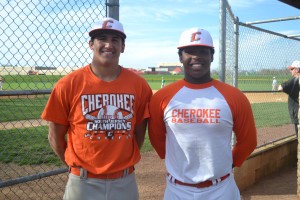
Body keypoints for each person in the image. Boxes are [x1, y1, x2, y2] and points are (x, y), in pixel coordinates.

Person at [41, 17, 152, 200]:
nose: (108, 44)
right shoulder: (68, 84)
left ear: (123, 47)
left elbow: (139, 133)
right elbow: (55, 136)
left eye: (115, 40)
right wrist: (76, 166)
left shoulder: (139, 85)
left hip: (124, 181)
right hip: (82, 182)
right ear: (91, 44)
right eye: (102, 38)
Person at [148, 27, 257, 200]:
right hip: (177, 190)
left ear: (212, 56)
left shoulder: (234, 96)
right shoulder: (162, 98)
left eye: (203, 51)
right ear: (180, 57)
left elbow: (248, 141)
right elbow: (158, 141)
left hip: (221, 189)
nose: (196, 57)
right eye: (189, 52)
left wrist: (227, 165)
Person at [278, 60, 300, 137]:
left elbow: (280, 88)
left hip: (298, 114)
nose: (290, 71)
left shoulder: (295, 80)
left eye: (292, 69)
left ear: (297, 70)